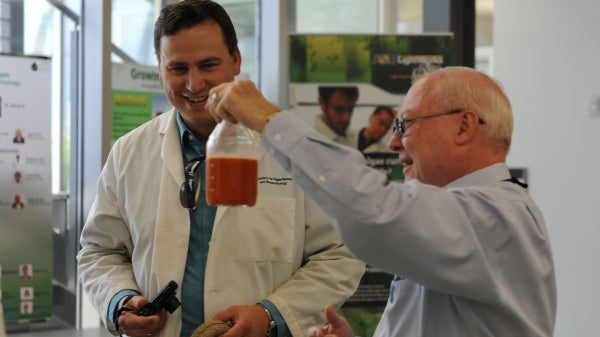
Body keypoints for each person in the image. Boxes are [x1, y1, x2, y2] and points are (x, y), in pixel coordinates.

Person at [76, 1, 364, 337]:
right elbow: (100, 250)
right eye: (177, 68)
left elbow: (341, 254)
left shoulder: (293, 148)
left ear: (236, 60)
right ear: (160, 70)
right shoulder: (129, 153)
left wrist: (270, 316)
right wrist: (120, 301)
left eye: (208, 64)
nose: (194, 84)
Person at [206, 65, 557, 337]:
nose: (393, 144)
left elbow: (375, 214)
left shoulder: (495, 216)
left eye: (405, 125)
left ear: (464, 126)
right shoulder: (463, 215)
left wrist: (267, 118)